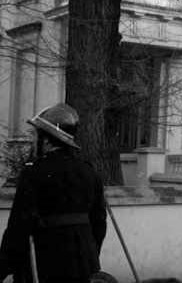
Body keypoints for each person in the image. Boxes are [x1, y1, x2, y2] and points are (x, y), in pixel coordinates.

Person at [0, 103, 107, 283]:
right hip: (84, 265)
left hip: (46, 264)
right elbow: (99, 223)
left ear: (47, 141)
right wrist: (90, 254)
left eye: (36, 136)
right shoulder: (89, 172)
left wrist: (4, 267)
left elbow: (18, 228)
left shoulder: (33, 173)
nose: (33, 141)